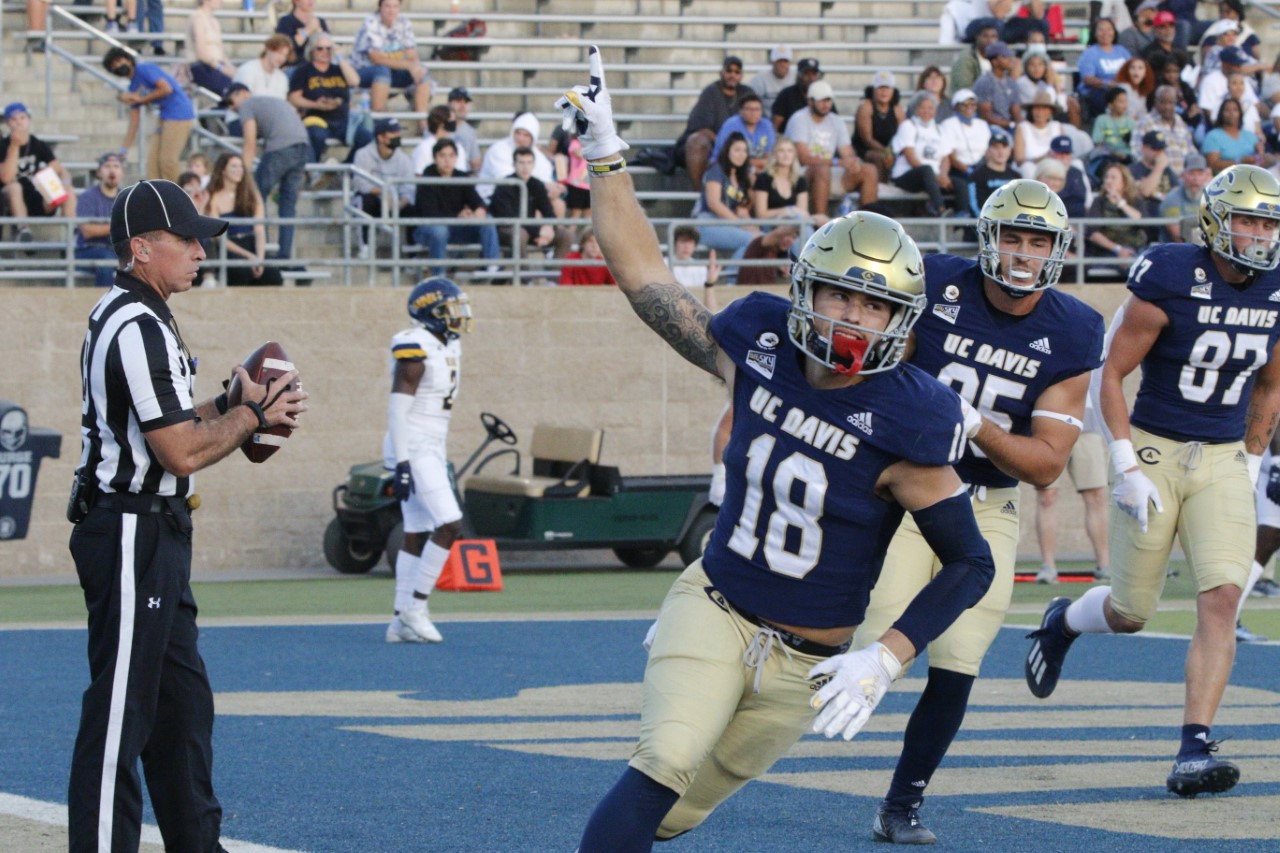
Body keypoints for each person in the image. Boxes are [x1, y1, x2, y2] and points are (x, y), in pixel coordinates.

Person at [557, 47, 995, 853]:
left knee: (675, 811)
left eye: (874, 303)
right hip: (716, 606)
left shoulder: (911, 417)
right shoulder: (758, 343)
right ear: (805, 287)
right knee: (663, 760)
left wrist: (888, 658)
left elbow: (972, 562)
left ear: (901, 318)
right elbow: (646, 276)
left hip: (810, 663)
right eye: (839, 293)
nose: (852, 317)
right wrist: (606, 156)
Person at [851, 179, 1103, 843]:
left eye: (1037, 240)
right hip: (911, 490)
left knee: (958, 662)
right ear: (987, 239)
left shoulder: (1075, 328)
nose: (1023, 253)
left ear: (1057, 248)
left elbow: (1046, 462)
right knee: (873, 640)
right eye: (1012, 237)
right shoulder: (935, 283)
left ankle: (901, 803)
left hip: (989, 500)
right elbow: (876, 376)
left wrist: (970, 421)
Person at [1025, 163, 1280, 798]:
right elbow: (1112, 374)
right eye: (1247, 218)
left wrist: (1249, 458)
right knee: (1131, 611)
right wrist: (1124, 460)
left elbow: (1272, 384)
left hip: (1223, 454)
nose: (1257, 234)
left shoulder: (1277, 286)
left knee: (1222, 596)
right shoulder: (1171, 273)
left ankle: (1194, 744)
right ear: (1217, 220)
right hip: (1158, 449)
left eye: (1268, 221)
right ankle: (1063, 622)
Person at [67, 178, 306, 852]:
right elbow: (177, 452)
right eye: (186, 238)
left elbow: (170, 425)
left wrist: (227, 401)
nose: (202, 249)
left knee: (181, 706)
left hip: (154, 527)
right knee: (121, 712)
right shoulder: (135, 321)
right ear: (141, 248)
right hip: (130, 526)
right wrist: (252, 414)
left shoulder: (145, 312)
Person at [384, 277, 471, 643]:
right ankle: (416, 607)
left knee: (417, 531)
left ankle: (397, 620)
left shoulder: (447, 344)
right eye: (450, 310)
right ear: (430, 313)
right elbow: (397, 408)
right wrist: (403, 462)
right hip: (414, 444)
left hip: (432, 444)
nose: (459, 316)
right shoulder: (415, 346)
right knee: (450, 523)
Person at [223, 84, 310, 264]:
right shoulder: (271, 101)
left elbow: (250, 143)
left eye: (231, 101)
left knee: (254, 198)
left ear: (243, 94)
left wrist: (242, 175)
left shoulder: (248, 105)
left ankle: (258, 250)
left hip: (280, 149)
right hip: (303, 147)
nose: (231, 107)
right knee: (287, 205)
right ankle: (284, 255)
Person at [1035, 399, 1110, 583]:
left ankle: (1105, 565)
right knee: (1047, 496)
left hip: (1087, 422)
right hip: (1048, 424)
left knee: (1097, 496)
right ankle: (1048, 566)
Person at [785, 80, 878, 217]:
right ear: (810, 101)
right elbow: (804, 158)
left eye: (828, 100)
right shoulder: (799, 119)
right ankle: (820, 224)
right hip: (801, 174)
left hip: (828, 171)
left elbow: (847, 152)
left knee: (869, 170)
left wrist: (853, 162)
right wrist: (839, 162)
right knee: (822, 170)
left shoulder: (836, 121)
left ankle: (869, 223)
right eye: (821, 100)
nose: (826, 104)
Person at [103, 47, 195, 183]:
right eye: (113, 66)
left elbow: (166, 88)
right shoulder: (133, 87)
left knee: (167, 160)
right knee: (152, 163)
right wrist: (124, 149)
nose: (117, 66)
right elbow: (134, 122)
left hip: (179, 113)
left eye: (118, 61)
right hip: (165, 115)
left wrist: (141, 99)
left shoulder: (144, 69)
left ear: (127, 59)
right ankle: (157, 197)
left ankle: (178, 196)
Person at [412, 138, 500, 277]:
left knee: (487, 220)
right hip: (427, 230)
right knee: (439, 231)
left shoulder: (461, 176)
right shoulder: (426, 179)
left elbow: (477, 201)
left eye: (451, 155)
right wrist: (458, 217)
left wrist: (479, 211)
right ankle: (439, 273)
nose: (447, 160)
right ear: (435, 158)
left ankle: (492, 267)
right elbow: (430, 214)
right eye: (442, 155)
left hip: (455, 227)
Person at [488, 146, 572, 276]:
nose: (525, 167)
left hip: (530, 229)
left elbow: (549, 212)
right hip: (507, 229)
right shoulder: (504, 185)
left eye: (529, 162)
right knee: (519, 234)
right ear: (513, 164)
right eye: (521, 162)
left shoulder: (536, 184)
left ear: (533, 165)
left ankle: (553, 277)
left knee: (566, 235)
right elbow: (510, 218)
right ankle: (525, 278)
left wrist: (548, 227)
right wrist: (539, 231)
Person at [0, 102, 76, 244]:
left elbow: (58, 168)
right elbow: (6, 178)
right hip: (11, 201)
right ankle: (24, 231)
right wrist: (14, 146)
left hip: (37, 196)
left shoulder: (38, 144)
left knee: (67, 191)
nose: (19, 123)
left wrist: (62, 182)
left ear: (28, 119)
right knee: (14, 187)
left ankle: (72, 232)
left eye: (22, 118)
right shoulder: (3, 145)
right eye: (14, 119)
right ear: (8, 123)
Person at [288, 32, 371, 163]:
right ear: (311, 50)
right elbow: (294, 98)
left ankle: (345, 168)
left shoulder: (339, 69)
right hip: (315, 118)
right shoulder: (303, 71)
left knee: (367, 138)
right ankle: (312, 173)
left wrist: (340, 57)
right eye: (320, 48)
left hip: (342, 119)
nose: (324, 52)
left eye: (328, 48)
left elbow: (355, 81)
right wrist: (316, 105)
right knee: (316, 136)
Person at [203, 153, 283, 286]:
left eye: (240, 166)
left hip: (251, 242)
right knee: (241, 272)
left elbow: (259, 230)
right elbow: (218, 236)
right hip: (230, 245)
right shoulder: (214, 197)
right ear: (223, 170)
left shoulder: (252, 195)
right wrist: (248, 256)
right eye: (233, 166)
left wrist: (260, 258)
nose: (238, 170)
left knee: (273, 275)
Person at [678, 55, 756, 191]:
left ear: (741, 76)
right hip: (716, 145)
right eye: (729, 71)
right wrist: (724, 144)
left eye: (737, 72)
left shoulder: (747, 93)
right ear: (722, 73)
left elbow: (759, 120)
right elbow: (700, 128)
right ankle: (700, 194)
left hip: (744, 145)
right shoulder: (711, 92)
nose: (732, 75)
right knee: (697, 142)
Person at [350, 0, 432, 120]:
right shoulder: (371, 22)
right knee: (382, 71)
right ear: (380, 7)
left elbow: (411, 54)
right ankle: (378, 119)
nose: (391, 10)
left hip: (393, 69)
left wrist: (414, 67)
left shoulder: (404, 22)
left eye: (395, 6)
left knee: (422, 71)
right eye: (387, 6)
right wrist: (408, 64)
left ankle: (423, 124)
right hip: (363, 70)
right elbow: (376, 58)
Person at [692, 132, 758, 272]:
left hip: (728, 223)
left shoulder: (741, 177)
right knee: (752, 241)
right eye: (737, 150)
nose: (741, 154)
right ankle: (730, 277)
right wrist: (740, 224)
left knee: (759, 239)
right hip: (706, 223)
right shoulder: (716, 170)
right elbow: (714, 203)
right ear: (727, 150)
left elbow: (743, 210)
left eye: (745, 151)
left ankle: (733, 276)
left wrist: (752, 226)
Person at [476, 112, 565, 213]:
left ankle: (556, 228)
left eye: (526, 135)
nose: (520, 138)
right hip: (494, 196)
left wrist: (553, 188)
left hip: (527, 196)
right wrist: (544, 187)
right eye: (518, 133)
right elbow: (507, 182)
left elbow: (544, 179)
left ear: (533, 137)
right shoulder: (498, 149)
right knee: (535, 210)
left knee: (558, 204)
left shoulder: (539, 157)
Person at [352, 117, 416, 255]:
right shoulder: (363, 154)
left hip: (396, 202)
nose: (398, 136)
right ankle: (365, 246)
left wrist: (398, 204)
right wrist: (384, 193)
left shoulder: (404, 159)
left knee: (414, 208)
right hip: (375, 200)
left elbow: (409, 188)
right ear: (381, 137)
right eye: (393, 133)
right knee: (364, 201)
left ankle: (412, 255)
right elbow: (361, 184)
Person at [890, 92, 953, 217]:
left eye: (930, 108)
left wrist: (943, 175)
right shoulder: (908, 126)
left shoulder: (939, 129)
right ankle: (940, 209)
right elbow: (910, 156)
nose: (926, 111)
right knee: (926, 170)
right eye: (922, 107)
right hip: (907, 175)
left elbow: (945, 157)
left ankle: (965, 215)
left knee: (959, 182)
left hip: (933, 177)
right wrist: (935, 177)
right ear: (916, 109)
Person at [75, 152, 125, 287]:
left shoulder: (126, 198)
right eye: (107, 166)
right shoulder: (88, 197)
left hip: (117, 250)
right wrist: (118, 227)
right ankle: (106, 306)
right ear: (99, 173)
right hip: (88, 250)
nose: (112, 170)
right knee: (106, 261)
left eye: (116, 166)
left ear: (122, 172)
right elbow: (87, 230)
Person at [940, 88, 992, 214]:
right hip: (959, 168)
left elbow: (989, 150)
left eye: (972, 104)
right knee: (964, 184)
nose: (969, 107)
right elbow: (950, 154)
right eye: (965, 104)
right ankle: (964, 214)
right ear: (957, 107)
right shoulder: (948, 124)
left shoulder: (982, 124)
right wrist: (967, 170)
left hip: (981, 166)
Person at [751, 136, 817, 236]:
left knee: (800, 222)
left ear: (794, 155)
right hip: (771, 225)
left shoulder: (800, 180)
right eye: (781, 151)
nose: (786, 155)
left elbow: (802, 212)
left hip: (794, 225)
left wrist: (790, 213)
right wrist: (787, 210)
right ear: (774, 155)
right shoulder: (763, 178)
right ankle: (810, 249)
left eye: (790, 151)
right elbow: (761, 214)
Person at [1085, 162, 1147, 262]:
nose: (1108, 181)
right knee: (1128, 262)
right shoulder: (1099, 201)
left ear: (1124, 182)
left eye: (1113, 178)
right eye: (1107, 177)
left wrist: (1121, 204)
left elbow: (1143, 221)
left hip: (1136, 247)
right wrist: (1118, 249)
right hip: (1109, 250)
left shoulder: (1136, 200)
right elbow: (1093, 233)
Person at [1131, 84, 1196, 174]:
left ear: (1175, 102)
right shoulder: (1145, 122)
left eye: (1170, 102)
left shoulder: (1180, 122)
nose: (1167, 107)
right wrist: (1156, 172)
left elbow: (1191, 151)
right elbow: (1136, 152)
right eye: (1162, 102)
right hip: (1159, 178)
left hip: (1184, 179)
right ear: (1155, 102)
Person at [1076, 19, 1131, 121]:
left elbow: (1131, 70)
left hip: (1122, 88)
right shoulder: (1090, 53)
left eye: (1109, 29)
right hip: (1098, 91)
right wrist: (1108, 84)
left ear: (1114, 32)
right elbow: (1088, 79)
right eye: (1101, 30)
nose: (1105, 33)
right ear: (1095, 33)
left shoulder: (1122, 51)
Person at [855, 71, 904, 181]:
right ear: (873, 90)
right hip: (865, 150)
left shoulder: (897, 109)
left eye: (887, 88)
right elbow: (867, 139)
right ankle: (881, 191)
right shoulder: (866, 106)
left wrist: (894, 152)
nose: (884, 91)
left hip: (890, 149)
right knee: (880, 157)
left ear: (893, 91)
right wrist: (887, 152)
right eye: (880, 88)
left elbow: (903, 134)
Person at [712, 93, 776, 172]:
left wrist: (757, 165)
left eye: (757, 109)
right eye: (749, 109)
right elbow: (726, 156)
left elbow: (770, 155)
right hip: (728, 166)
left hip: (756, 167)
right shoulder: (732, 124)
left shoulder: (766, 125)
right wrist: (756, 164)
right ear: (741, 111)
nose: (753, 113)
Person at [184, 0, 236, 97]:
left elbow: (221, 51)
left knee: (239, 84)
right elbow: (201, 51)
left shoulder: (214, 21)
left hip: (217, 65)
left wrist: (230, 67)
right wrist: (221, 68)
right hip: (202, 66)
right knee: (228, 90)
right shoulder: (197, 18)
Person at [1203, 96, 1267, 173]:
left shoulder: (1250, 135)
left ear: (1240, 113)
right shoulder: (1213, 136)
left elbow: (1261, 160)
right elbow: (1213, 165)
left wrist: (1260, 152)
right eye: (1227, 110)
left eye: (1235, 110)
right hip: (1225, 180)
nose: (1231, 113)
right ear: (1221, 114)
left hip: (1251, 176)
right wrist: (1240, 161)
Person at [964, 127, 1017, 217]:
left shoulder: (1016, 177)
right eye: (996, 147)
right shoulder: (976, 176)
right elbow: (974, 206)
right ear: (988, 151)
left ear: (1009, 151)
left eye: (1004, 147)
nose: (1000, 152)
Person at [1159, 152, 1211, 242]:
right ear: (1183, 175)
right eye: (1191, 174)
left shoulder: (1211, 198)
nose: (1196, 179)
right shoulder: (1172, 199)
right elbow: (1178, 236)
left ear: (1206, 177)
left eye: (1200, 174)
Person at [973, 41, 1023, 134]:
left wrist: (1021, 126)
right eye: (1005, 57)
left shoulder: (1012, 83)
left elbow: (1016, 111)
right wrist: (1010, 124)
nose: (1010, 60)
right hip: (989, 129)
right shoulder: (984, 82)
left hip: (1010, 127)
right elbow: (985, 116)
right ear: (994, 61)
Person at [1015, 89, 1065, 178]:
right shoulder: (1023, 127)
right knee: (1027, 167)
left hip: (1054, 168)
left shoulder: (1057, 127)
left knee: (1077, 164)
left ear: (1051, 111)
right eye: (1037, 108)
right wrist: (1043, 158)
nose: (1040, 112)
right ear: (1031, 111)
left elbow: (1065, 152)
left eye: (1044, 108)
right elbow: (1019, 160)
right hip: (1032, 169)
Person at [771, 57, 824, 132]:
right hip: (790, 140)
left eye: (814, 74)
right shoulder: (786, 95)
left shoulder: (823, 95)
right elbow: (775, 126)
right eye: (807, 74)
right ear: (799, 75)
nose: (811, 78)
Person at [234, 35, 292, 101]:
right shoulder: (248, 69)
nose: (282, 58)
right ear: (268, 49)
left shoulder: (282, 78)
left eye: (285, 55)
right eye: (279, 53)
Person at [950, 21, 1000, 95]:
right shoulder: (966, 59)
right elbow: (964, 88)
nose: (990, 41)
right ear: (977, 37)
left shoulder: (1000, 57)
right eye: (985, 36)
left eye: (993, 37)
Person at [667, 224, 719, 289]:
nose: (686, 246)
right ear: (675, 243)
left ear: (695, 246)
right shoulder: (664, 264)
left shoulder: (700, 268)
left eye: (690, 242)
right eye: (683, 241)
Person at [748, 46, 796, 118]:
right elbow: (750, 102)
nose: (782, 64)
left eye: (785, 61)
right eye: (779, 61)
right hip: (765, 121)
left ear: (790, 63)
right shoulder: (760, 78)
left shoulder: (796, 78)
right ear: (772, 62)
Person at [447, 87, 483, 174]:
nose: (463, 106)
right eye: (458, 101)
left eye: (466, 102)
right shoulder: (439, 127)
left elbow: (475, 164)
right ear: (449, 103)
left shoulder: (470, 131)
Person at [1115, 57, 1155, 121]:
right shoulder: (1123, 88)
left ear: (1145, 73)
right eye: (1132, 68)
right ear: (1127, 71)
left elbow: (1143, 114)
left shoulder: (1142, 92)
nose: (1136, 71)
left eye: (1140, 68)